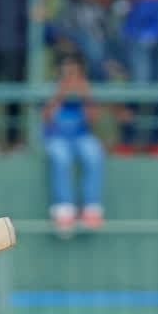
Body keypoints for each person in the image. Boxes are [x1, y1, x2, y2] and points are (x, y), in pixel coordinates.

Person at [44, 54, 105, 235]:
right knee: (61, 157)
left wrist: (85, 94)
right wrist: (61, 92)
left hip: (81, 137)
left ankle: (91, 208)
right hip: (57, 137)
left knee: (93, 152)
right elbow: (46, 118)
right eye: (67, 73)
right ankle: (64, 210)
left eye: (74, 73)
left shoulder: (85, 90)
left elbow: (94, 120)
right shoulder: (52, 88)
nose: (71, 77)